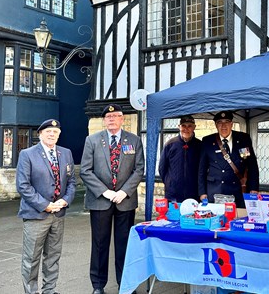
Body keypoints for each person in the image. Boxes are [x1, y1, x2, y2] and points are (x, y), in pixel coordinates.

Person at [80, 104, 144, 294]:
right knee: (99, 244)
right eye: (108, 117)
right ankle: (98, 285)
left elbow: (138, 169)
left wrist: (124, 192)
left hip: (125, 200)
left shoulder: (134, 140)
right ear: (104, 120)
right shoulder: (92, 140)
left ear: (122, 119)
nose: (111, 119)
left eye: (115, 116)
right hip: (100, 200)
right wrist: (105, 192)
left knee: (124, 244)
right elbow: (85, 170)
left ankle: (125, 284)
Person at [16, 119, 76, 294]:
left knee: (53, 257)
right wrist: (45, 205)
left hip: (58, 215)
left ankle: (49, 290)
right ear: (40, 134)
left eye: (55, 132)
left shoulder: (66, 153)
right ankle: (31, 292)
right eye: (48, 131)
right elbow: (23, 186)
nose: (52, 134)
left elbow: (72, 181)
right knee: (31, 259)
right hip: (36, 215)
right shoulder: (27, 154)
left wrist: (65, 200)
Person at [198, 111, 259, 208]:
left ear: (232, 124)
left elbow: (251, 165)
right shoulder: (208, 141)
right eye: (220, 122)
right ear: (216, 125)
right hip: (215, 190)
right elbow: (202, 169)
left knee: (237, 219)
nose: (223, 126)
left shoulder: (243, 139)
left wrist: (254, 188)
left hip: (237, 190)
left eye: (226, 122)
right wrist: (202, 192)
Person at [159, 115, 202, 202]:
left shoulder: (200, 145)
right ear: (179, 127)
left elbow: (203, 168)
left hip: (194, 194)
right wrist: (170, 183)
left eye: (189, 126)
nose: (186, 129)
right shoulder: (170, 144)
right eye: (183, 126)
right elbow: (162, 168)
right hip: (173, 195)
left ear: (194, 127)